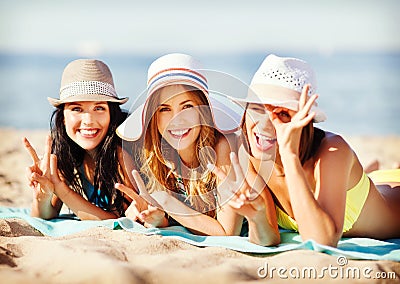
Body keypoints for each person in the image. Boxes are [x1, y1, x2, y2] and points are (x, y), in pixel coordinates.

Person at [211, 54, 400, 247]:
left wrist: (289, 155)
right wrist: (256, 219)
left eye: (282, 114)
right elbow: (269, 238)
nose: (264, 125)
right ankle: (373, 170)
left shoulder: (334, 150)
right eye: (257, 109)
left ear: (304, 121)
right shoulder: (250, 155)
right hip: (368, 184)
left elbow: (322, 241)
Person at [115, 53, 250, 236]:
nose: (176, 120)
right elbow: (179, 217)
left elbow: (227, 232)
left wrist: (166, 200)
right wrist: (156, 219)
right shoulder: (159, 154)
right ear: (154, 117)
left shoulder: (223, 147)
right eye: (164, 109)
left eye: (187, 107)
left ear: (203, 111)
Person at [24, 59, 139, 220]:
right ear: (63, 117)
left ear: (111, 114)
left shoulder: (122, 151)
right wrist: (42, 195)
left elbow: (123, 220)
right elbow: (45, 215)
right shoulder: (69, 152)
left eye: (99, 108)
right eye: (77, 109)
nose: (88, 120)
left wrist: (61, 188)